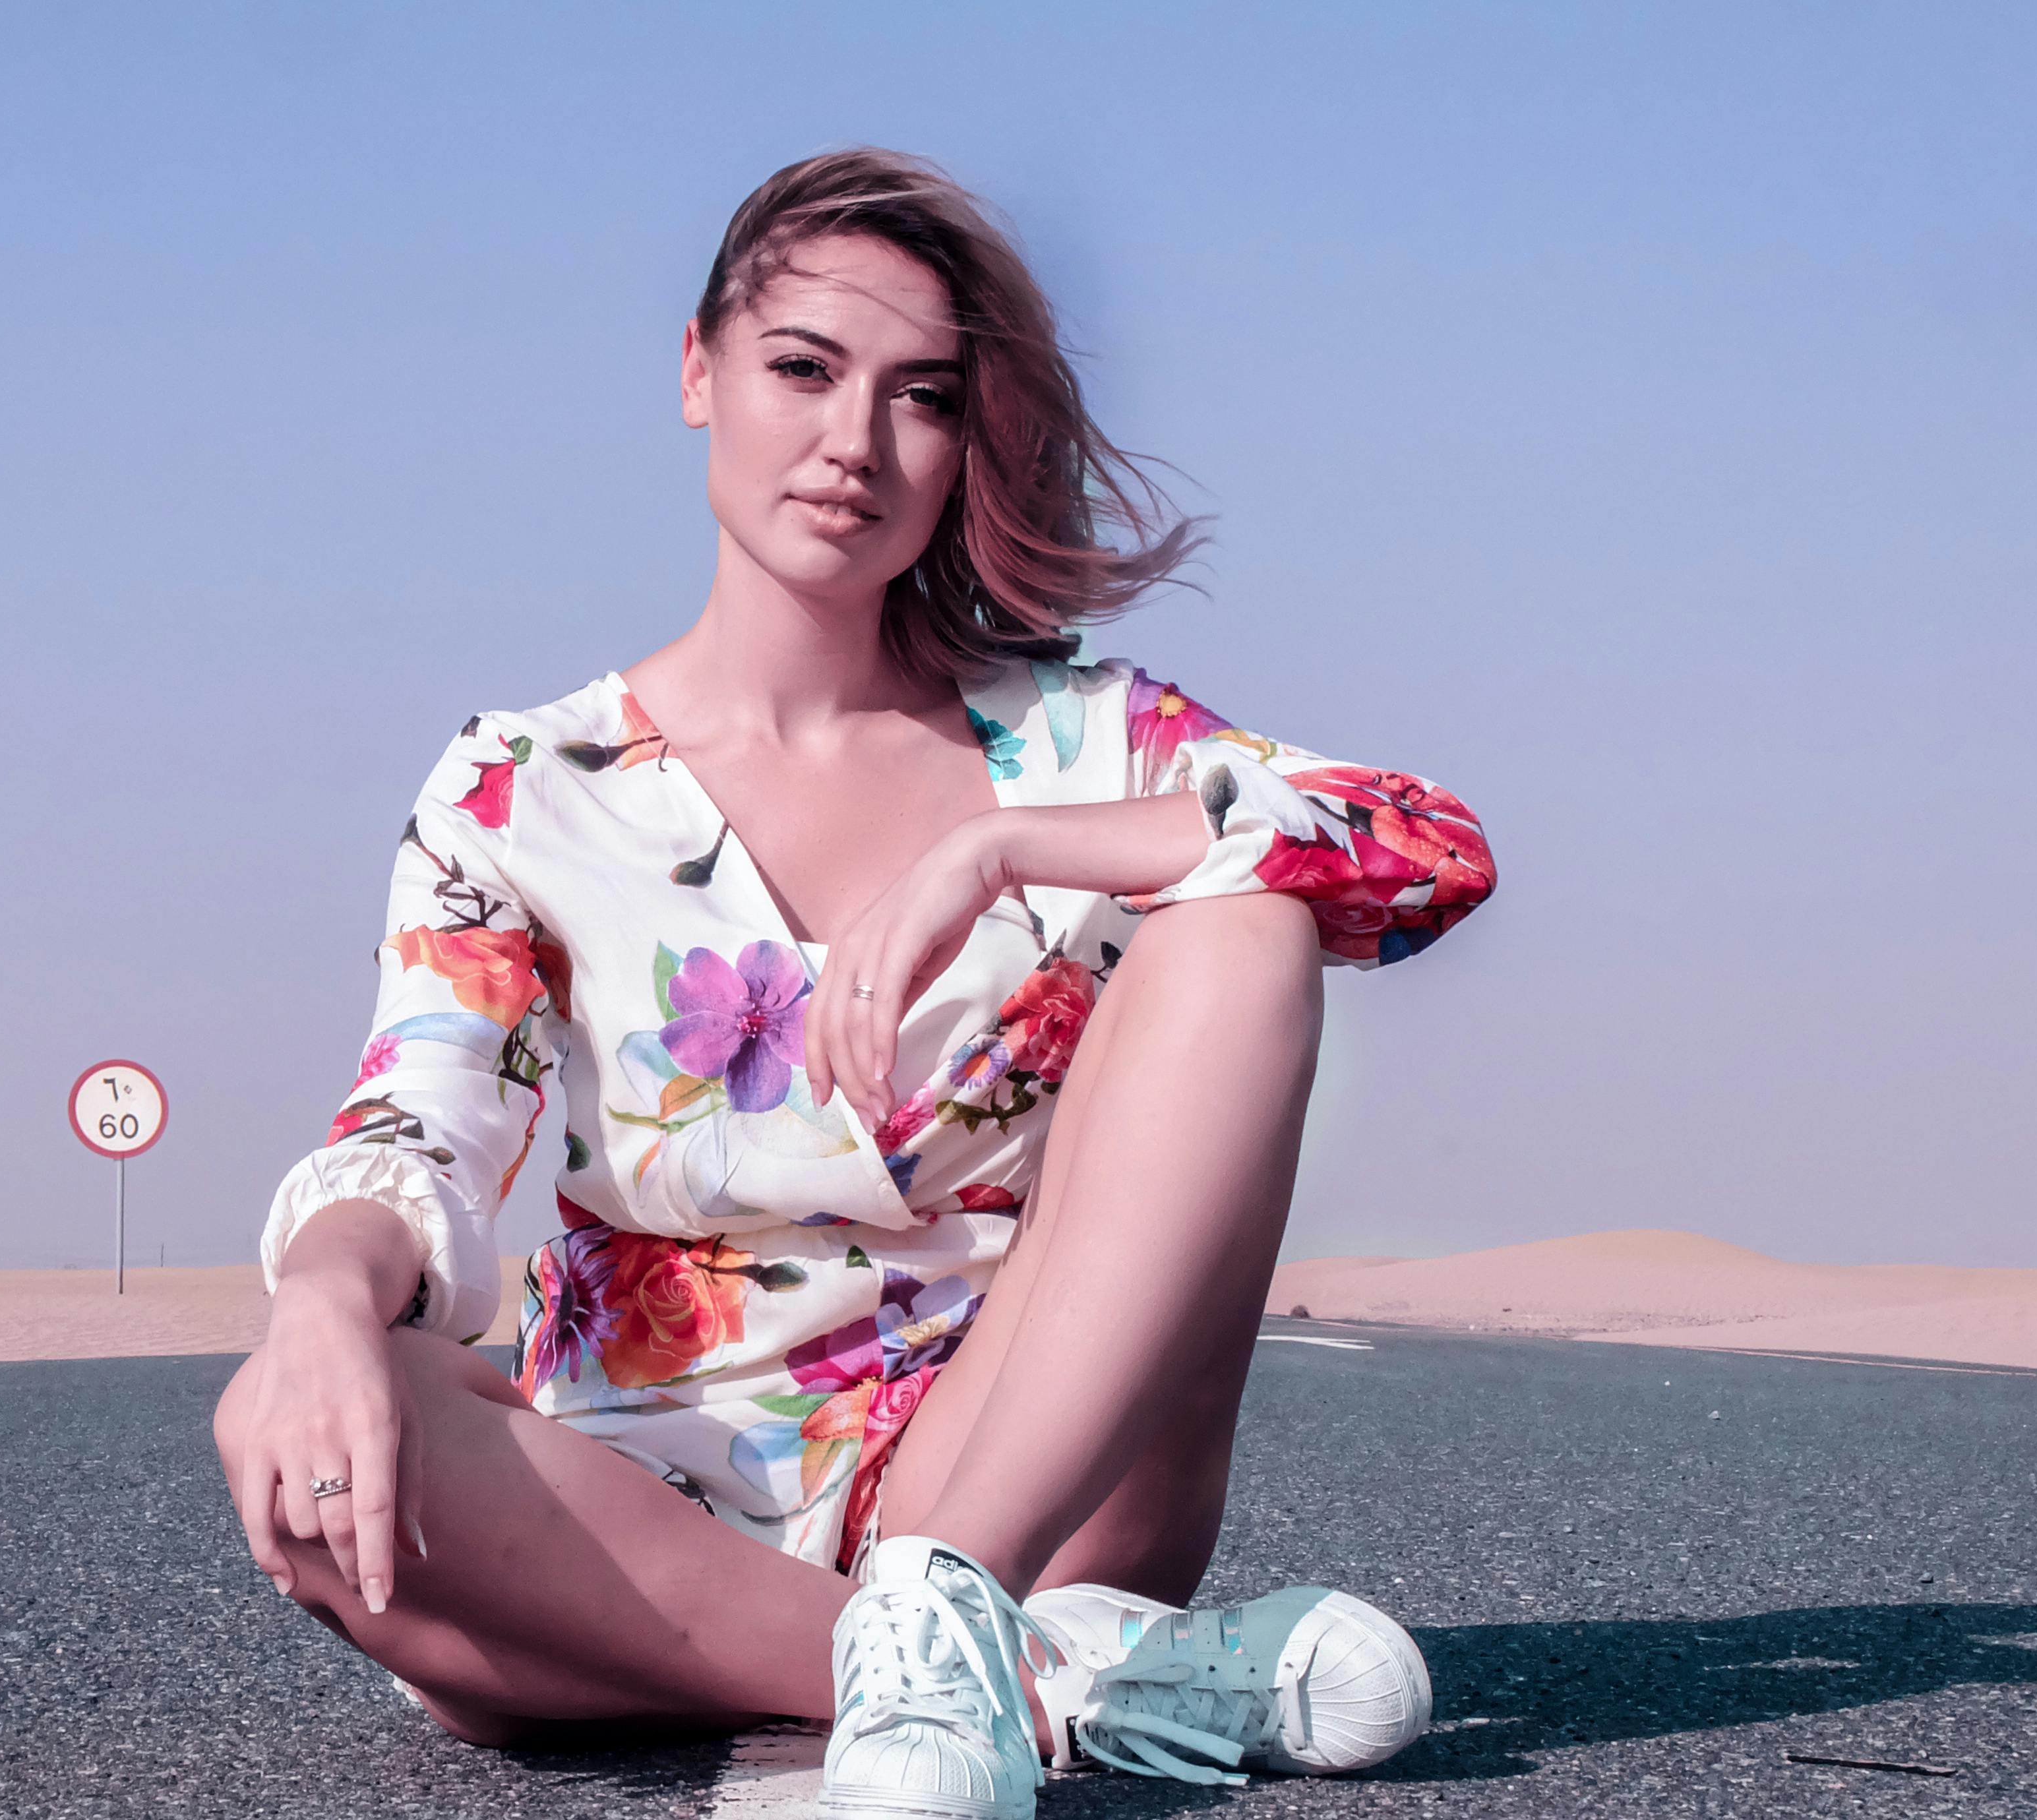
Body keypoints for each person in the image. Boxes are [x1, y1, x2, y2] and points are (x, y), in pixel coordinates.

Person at [212, 148, 1496, 1819]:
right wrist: (318, 1303)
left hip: (1031, 1490)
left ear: (967, 438)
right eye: (803, 370)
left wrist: (1014, 847)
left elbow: (1428, 845)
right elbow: (421, 1112)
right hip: (631, 1495)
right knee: (321, 1450)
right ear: (699, 372)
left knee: (1245, 914)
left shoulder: (1077, 735)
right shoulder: (527, 789)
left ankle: (952, 1608)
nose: (853, 444)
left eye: (922, 398)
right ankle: (1042, 1677)